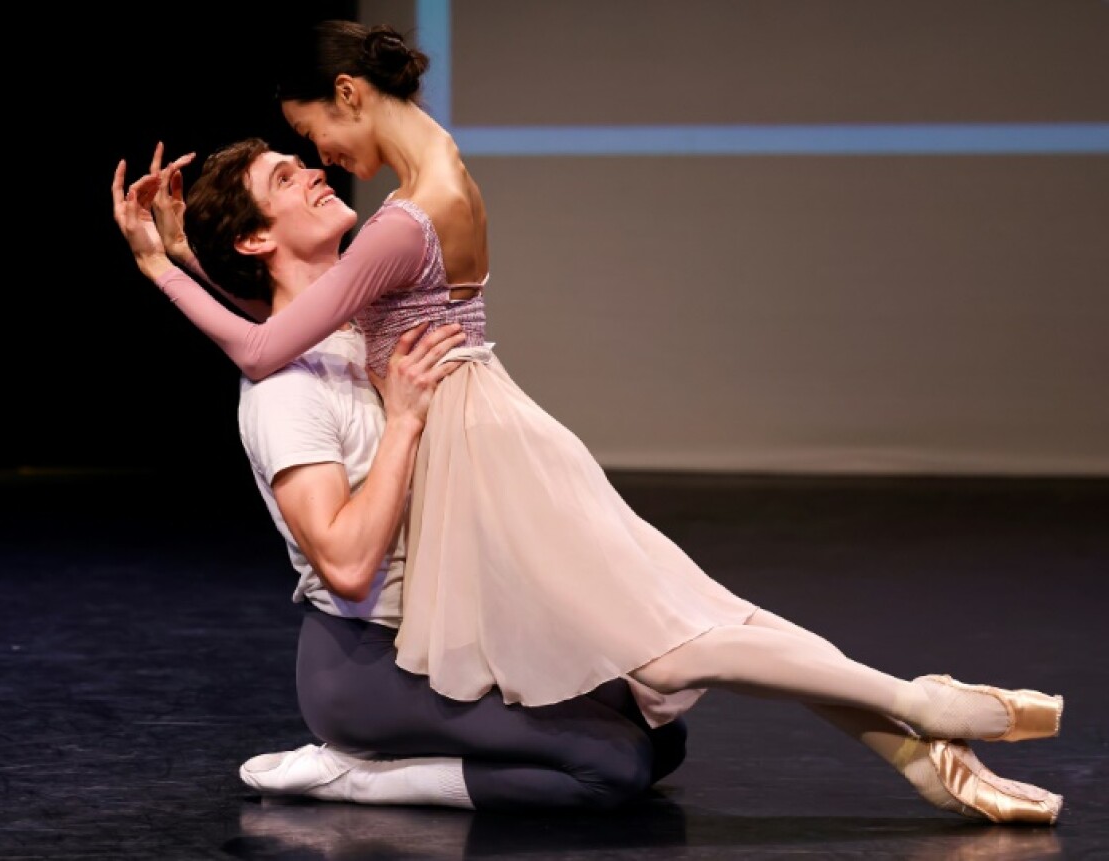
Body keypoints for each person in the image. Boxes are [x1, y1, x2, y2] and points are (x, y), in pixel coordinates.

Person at [117, 21, 1066, 824]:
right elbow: (289, 329)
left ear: (348, 92)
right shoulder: (428, 189)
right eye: (297, 161)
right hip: (478, 437)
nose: (322, 157)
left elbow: (268, 340)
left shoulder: (402, 221)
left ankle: (922, 703)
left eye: (309, 131)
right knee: (687, 623)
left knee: (680, 632)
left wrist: (163, 269)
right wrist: (188, 257)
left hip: (483, 447)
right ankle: (913, 735)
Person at [111, 144, 691, 811]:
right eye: (286, 177)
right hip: (368, 665)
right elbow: (349, 566)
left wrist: (182, 254)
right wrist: (404, 421)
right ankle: (356, 776)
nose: (315, 174)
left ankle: (439, 745)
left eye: (304, 165)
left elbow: (270, 314)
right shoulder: (284, 396)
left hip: (444, 634)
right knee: (611, 765)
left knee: (662, 732)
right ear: (255, 236)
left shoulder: (359, 323)